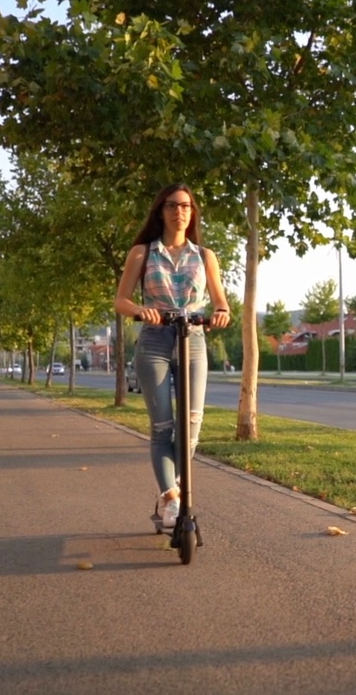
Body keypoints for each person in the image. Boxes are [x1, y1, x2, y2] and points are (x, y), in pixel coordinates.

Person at [114, 183, 231, 528]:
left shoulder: (205, 256)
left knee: (191, 426)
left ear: (192, 212)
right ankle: (170, 497)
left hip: (193, 338)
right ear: (160, 211)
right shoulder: (142, 253)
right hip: (155, 340)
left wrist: (222, 312)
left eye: (185, 206)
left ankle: (171, 492)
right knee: (163, 426)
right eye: (171, 205)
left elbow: (220, 299)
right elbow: (120, 301)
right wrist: (140, 310)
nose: (179, 211)